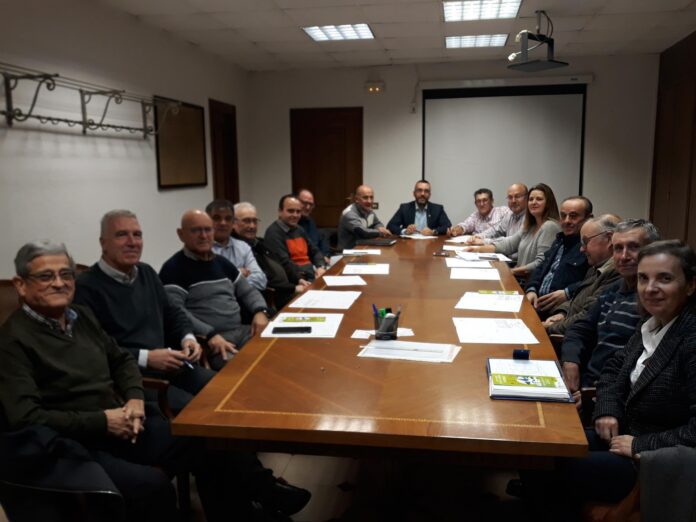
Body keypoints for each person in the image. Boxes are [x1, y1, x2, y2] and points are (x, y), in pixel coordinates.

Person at [0, 240, 312, 521]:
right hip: (73, 445)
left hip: (123, 422)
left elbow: (121, 360)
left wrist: (135, 398)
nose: (59, 283)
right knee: (151, 486)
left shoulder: (80, 316)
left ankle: (249, 507)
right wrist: (103, 421)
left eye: (66, 275)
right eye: (45, 276)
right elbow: (27, 418)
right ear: (21, 285)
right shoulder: (13, 340)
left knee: (210, 436)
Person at [522, 240, 696, 521]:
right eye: (643, 278)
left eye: (664, 279)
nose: (650, 288)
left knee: (551, 467)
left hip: (654, 461)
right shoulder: (652, 323)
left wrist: (641, 445)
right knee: (537, 449)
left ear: (690, 285)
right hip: (619, 433)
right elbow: (614, 370)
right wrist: (607, 409)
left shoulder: (690, 338)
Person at [75, 210, 215, 412]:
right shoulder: (85, 287)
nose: (132, 242)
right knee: (196, 410)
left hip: (171, 366)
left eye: (137, 235)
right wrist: (146, 357)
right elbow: (94, 350)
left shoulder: (147, 272)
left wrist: (188, 338)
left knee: (224, 390)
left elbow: (173, 313)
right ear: (103, 243)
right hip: (132, 380)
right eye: (122, 235)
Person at [560, 219, 661, 398]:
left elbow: (639, 369)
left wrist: (595, 397)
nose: (624, 256)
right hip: (586, 387)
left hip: (609, 397)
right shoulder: (614, 289)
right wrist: (570, 360)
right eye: (618, 248)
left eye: (633, 247)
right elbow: (579, 329)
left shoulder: (655, 300)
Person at [159, 209, 271, 371]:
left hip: (243, 331)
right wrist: (209, 334)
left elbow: (248, 292)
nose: (203, 235)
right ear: (181, 234)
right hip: (213, 342)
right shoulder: (173, 269)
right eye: (196, 230)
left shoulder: (222, 263)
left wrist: (260, 311)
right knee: (248, 369)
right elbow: (177, 312)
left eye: (208, 229)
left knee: (280, 350)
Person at [463, 183, 561, 279]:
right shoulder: (530, 225)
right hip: (518, 276)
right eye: (531, 199)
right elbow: (508, 244)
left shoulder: (550, 226)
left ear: (548, 203)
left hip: (529, 282)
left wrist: (511, 271)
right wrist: (477, 249)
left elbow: (541, 263)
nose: (533, 202)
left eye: (539, 199)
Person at [543, 215, 621, 334]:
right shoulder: (595, 266)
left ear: (609, 239)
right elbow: (579, 299)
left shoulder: (615, 272)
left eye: (585, 242)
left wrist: (549, 328)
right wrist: (562, 313)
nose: (581, 249)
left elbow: (586, 315)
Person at [232, 201, 310, 310]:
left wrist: (298, 279)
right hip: (276, 298)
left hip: (290, 289)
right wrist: (293, 288)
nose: (252, 226)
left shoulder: (259, 242)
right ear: (233, 223)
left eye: (254, 221)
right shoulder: (238, 249)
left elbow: (282, 262)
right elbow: (265, 281)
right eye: (246, 221)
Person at [524, 196, 594, 317]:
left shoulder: (589, 246)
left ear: (589, 218)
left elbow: (594, 280)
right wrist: (531, 289)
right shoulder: (559, 241)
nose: (566, 221)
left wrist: (568, 292)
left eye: (573, 216)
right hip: (537, 304)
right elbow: (541, 267)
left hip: (560, 312)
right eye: (563, 216)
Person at [206, 199, 268, 292]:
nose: (223, 223)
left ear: (233, 223)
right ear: (207, 221)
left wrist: (228, 280)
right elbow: (208, 285)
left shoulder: (243, 247)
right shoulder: (201, 248)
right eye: (217, 218)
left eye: (228, 218)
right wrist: (238, 273)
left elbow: (261, 280)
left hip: (245, 299)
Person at [265, 195, 328, 282]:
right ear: (280, 211)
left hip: (312, 275)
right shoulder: (273, 234)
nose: (295, 215)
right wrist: (308, 276)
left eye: (298, 211)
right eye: (290, 211)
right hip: (299, 281)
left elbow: (314, 251)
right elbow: (285, 264)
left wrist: (320, 267)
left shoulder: (299, 229)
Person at [386, 179, 452, 236]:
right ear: (414, 193)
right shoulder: (404, 208)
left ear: (429, 195)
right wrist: (405, 231)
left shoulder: (437, 209)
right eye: (419, 190)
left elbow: (447, 226)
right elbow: (391, 226)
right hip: (409, 244)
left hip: (431, 243)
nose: (422, 194)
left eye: (426, 191)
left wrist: (433, 232)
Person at [337, 184, 391, 250]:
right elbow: (362, 232)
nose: (369, 201)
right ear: (356, 199)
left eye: (371, 197)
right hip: (349, 251)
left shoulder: (368, 210)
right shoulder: (349, 213)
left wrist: (380, 227)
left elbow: (377, 223)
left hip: (364, 247)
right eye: (365, 198)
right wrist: (381, 232)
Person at [297, 189, 331, 262]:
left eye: (311, 204)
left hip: (318, 262)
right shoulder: (292, 224)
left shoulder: (310, 221)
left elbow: (319, 240)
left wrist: (325, 255)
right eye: (305, 203)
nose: (308, 207)